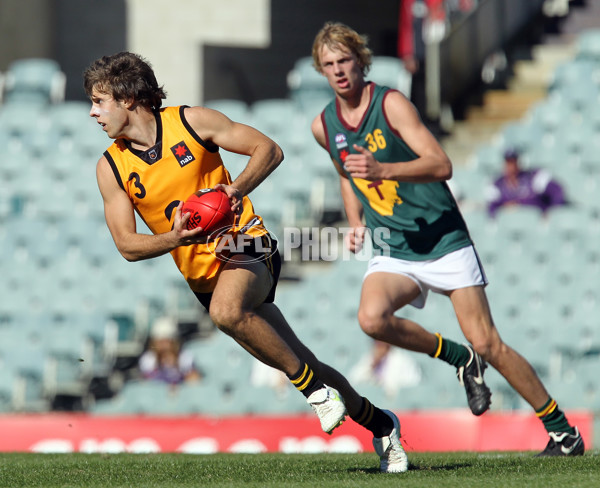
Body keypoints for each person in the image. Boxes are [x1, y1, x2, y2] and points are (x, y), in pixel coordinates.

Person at [84, 52, 408, 473]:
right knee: (300, 357)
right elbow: (127, 245)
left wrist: (232, 192)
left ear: (128, 98)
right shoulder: (110, 167)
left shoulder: (192, 121)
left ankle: (313, 393)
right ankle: (381, 423)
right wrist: (176, 237)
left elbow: (268, 150)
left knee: (227, 312)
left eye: (99, 101)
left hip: (247, 243)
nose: (92, 112)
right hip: (203, 278)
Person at [310, 21, 584, 457]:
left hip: (442, 238)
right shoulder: (324, 125)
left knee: (488, 342)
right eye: (329, 65)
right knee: (371, 319)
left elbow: (441, 164)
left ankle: (562, 432)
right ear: (320, 71)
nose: (339, 71)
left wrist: (385, 171)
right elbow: (346, 174)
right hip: (395, 246)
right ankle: (459, 359)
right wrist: (356, 222)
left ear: (360, 61)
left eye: (344, 60)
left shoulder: (392, 104)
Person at [486, 148, 567, 218]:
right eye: (508, 162)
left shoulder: (534, 177)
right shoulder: (497, 184)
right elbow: (491, 209)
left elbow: (557, 191)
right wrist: (504, 208)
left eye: (514, 162)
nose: (511, 166)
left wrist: (552, 213)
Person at [138, 316, 202, 385]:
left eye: (166, 341)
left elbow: (194, 379)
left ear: (174, 341)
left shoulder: (185, 357)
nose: (163, 345)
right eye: (160, 341)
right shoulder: (148, 359)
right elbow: (146, 382)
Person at [349, 340, 422, 398]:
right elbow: (353, 380)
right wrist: (373, 364)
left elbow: (394, 389)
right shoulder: (369, 358)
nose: (379, 345)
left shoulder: (401, 359)